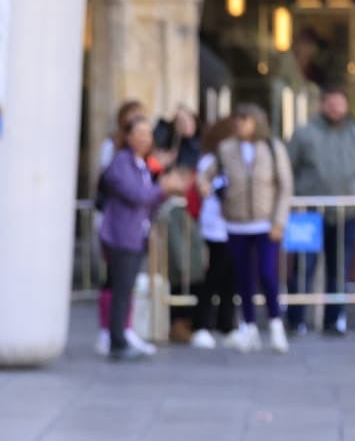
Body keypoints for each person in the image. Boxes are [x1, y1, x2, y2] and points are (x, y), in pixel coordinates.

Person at [287, 86, 355, 336]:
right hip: (308, 212)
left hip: (345, 213)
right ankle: (296, 319)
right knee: (303, 267)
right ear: (322, 105)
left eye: (339, 104)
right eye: (331, 104)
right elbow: (289, 167)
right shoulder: (304, 134)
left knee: (339, 269)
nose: (335, 109)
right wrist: (294, 200)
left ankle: (333, 320)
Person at [99, 114, 190, 360]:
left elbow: (148, 197)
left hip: (136, 233)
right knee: (120, 289)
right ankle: (117, 340)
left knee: (126, 288)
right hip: (121, 234)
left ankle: (122, 335)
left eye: (147, 134)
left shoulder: (142, 164)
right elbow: (137, 195)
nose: (144, 139)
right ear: (128, 136)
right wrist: (163, 187)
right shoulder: (122, 162)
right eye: (138, 133)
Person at [218, 103, 294, 352]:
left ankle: (275, 323)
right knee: (243, 276)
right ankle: (249, 325)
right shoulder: (226, 148)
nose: (240, 124)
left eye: (245, 119)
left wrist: (279, 220)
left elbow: (285, 186)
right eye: (238, 120)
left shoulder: (272, 148)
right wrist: (206, 185)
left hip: (264, 221)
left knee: (267, 273)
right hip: (237, 221)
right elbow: (211, 173)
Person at [189, 118, 239, 349]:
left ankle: (227, 323)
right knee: (214, 275)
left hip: (233, 224)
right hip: (215, 225)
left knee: (231, 277)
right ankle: (203, 323)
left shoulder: (236, 159)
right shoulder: (210, 161)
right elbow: (209, 187)